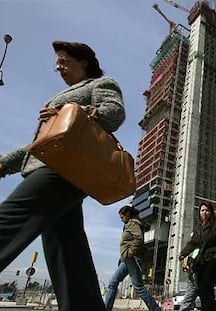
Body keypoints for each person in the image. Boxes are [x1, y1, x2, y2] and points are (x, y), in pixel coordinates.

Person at [0, 40, 125, 311]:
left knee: (9, 220)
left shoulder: (99, 84)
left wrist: (72, 111)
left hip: (64, 169)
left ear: (84, 62)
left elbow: (114, 114)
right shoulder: (65, 95)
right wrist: (4, 164)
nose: (59, 67)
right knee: (67, 253)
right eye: (57, 64)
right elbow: (40, 144)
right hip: (56, 166)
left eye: (64, 60)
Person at [104, 205, 160, 311]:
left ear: (127, 214)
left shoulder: (133, 223)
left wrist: (130, 253)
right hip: (126, 260)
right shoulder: (129, 224)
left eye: (122, 217)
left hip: (132, 259)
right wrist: (123, 257)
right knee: (112, 283)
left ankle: (156, 309)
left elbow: (139, 238)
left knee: (139, 287)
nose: (121, 220)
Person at [179, 202, 216, 311]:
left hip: (212, 260)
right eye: (202, 210)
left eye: (207, 210)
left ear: (211, 212)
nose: (204, 212)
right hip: (201, 262)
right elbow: (193, 243)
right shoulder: (198, 228)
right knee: (203, 289)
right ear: (199, 212)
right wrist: (183, 253)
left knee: (205, 286)